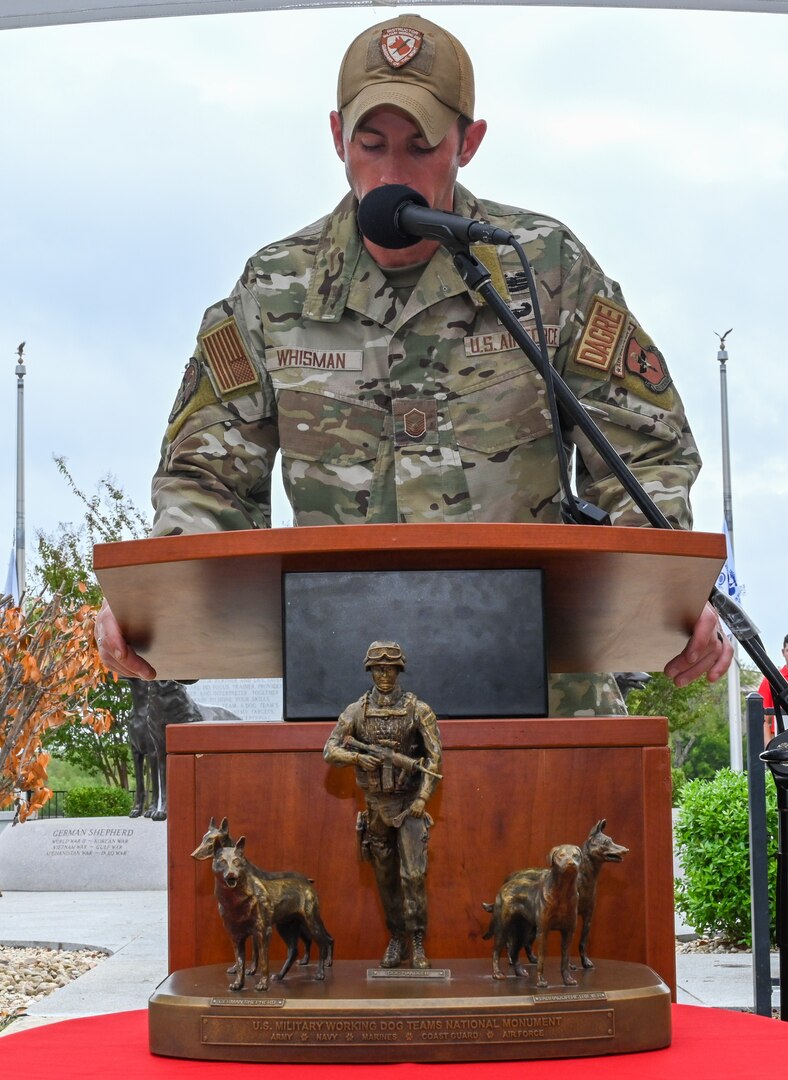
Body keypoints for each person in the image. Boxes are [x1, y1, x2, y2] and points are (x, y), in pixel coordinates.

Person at [95, 13, 732, 705]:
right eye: (371, 145)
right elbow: (206, 478)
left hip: (547, 703)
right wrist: (155, 602)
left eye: (421, 147)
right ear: (337, 137)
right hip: (347, 714)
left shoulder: (543, 270)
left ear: (470, 142)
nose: (392, 174)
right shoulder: (273, 291)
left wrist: (670, 590)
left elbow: (643, 447)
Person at [323, 641, 442, 968]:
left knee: (414, 877)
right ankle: (397, 938)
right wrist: (359, 757)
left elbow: (434, 758)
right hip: (376, 809)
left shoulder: (419, 710)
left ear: (399, 669)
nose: (385, 674)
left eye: (390, 668)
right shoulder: (356, 711)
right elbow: (330, 750)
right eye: (378, 668)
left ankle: (417, 942)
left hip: (410, 808)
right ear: (370, 670)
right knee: (385, 878)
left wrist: (422, 798)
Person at [758, 634, 788, 745]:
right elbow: (764, 720)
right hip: (782, 745)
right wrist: (769, 749)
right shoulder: (771, 681)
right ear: (783, 652)